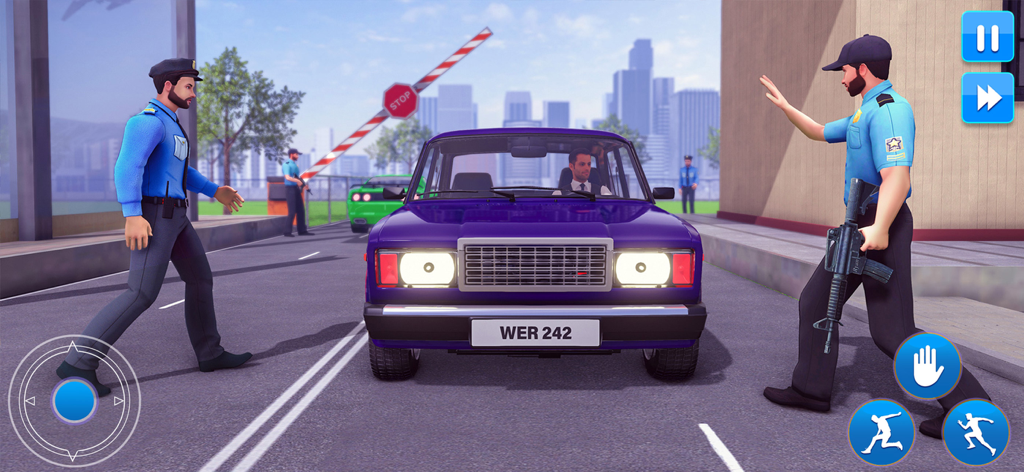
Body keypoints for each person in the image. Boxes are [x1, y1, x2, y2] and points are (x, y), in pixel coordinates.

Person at [758, 34, 991, 440]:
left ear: (863, 70)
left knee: (893, 333)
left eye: (843, 71)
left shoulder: (889, 112)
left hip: (882, 224)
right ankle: (810, 389)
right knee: (815, 302)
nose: (840, 77)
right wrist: (785, 107)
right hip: (859, 224)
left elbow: (897, 176)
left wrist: (881, 227)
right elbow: (817, 131)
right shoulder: (862, 112)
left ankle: (971, 408)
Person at [57, 58, 251, 397]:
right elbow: (127, 166)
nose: (193, 94)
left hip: (176, 216)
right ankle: (78, 362)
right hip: (154, 215)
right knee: (141, 293)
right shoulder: (146, 123)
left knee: (200, 278)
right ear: (168, 86)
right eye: (189, 86)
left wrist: (213, 190)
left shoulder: (172, 124)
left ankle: (210, 353)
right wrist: (132, 213)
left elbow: (179, 172)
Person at [281, 148, 314, 237]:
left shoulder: (295, 165)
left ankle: (302, 230)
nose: (298, 156)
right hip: (289, 189)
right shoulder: (286, 164)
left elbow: (297, 177)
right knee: (292, 211)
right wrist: (297, 181)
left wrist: (304, 184)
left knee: (300, 210)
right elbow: (287, 177)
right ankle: (287, 232)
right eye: (296, 154)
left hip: (296, 189)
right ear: (291, 154)